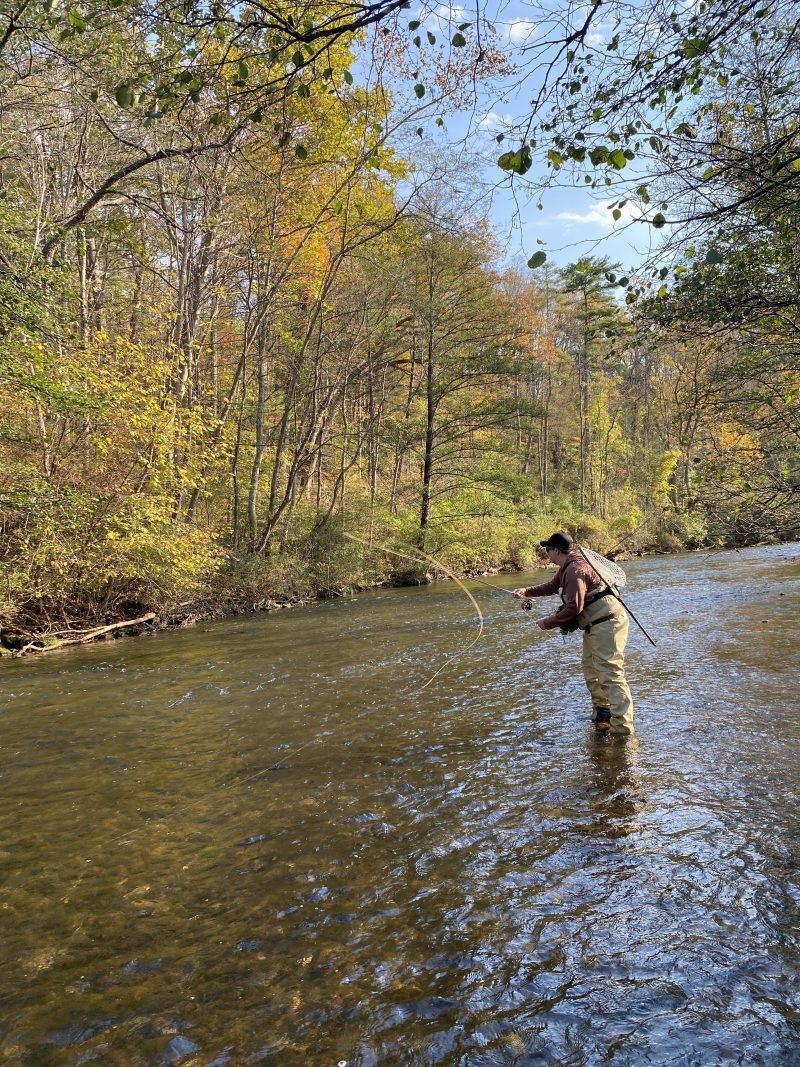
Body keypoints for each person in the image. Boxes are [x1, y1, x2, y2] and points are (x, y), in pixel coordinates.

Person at [513, 531, 635, 736]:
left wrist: (547, 623)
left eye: (547, 549)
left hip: (608, 624)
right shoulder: (568, 566)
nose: (546, 553)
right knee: (591, 669)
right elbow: (553, 586)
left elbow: (574, 608)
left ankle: (622, 729)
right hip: (595, 625)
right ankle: (603, 712)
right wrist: (527, 592)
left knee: (610, 674)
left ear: (555, 551)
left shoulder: (575, 570)